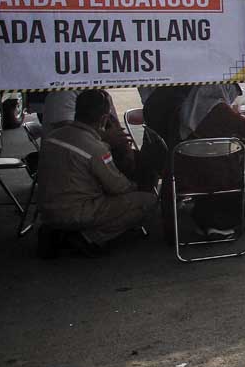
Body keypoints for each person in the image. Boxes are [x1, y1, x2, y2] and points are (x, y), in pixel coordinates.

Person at [35, 90, 158, 257]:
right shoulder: (96, 148)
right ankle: (87, 237)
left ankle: (61, 232)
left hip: (45, 210)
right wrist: (137, 187)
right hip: (77, 212)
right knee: (147, 201)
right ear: (103, 119)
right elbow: (118, 187)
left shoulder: (53, 135)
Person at [176, 84, 245, 231]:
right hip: (215, 174)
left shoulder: (192, 106)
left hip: (189, 170)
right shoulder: (217, 109)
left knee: (241, 150)